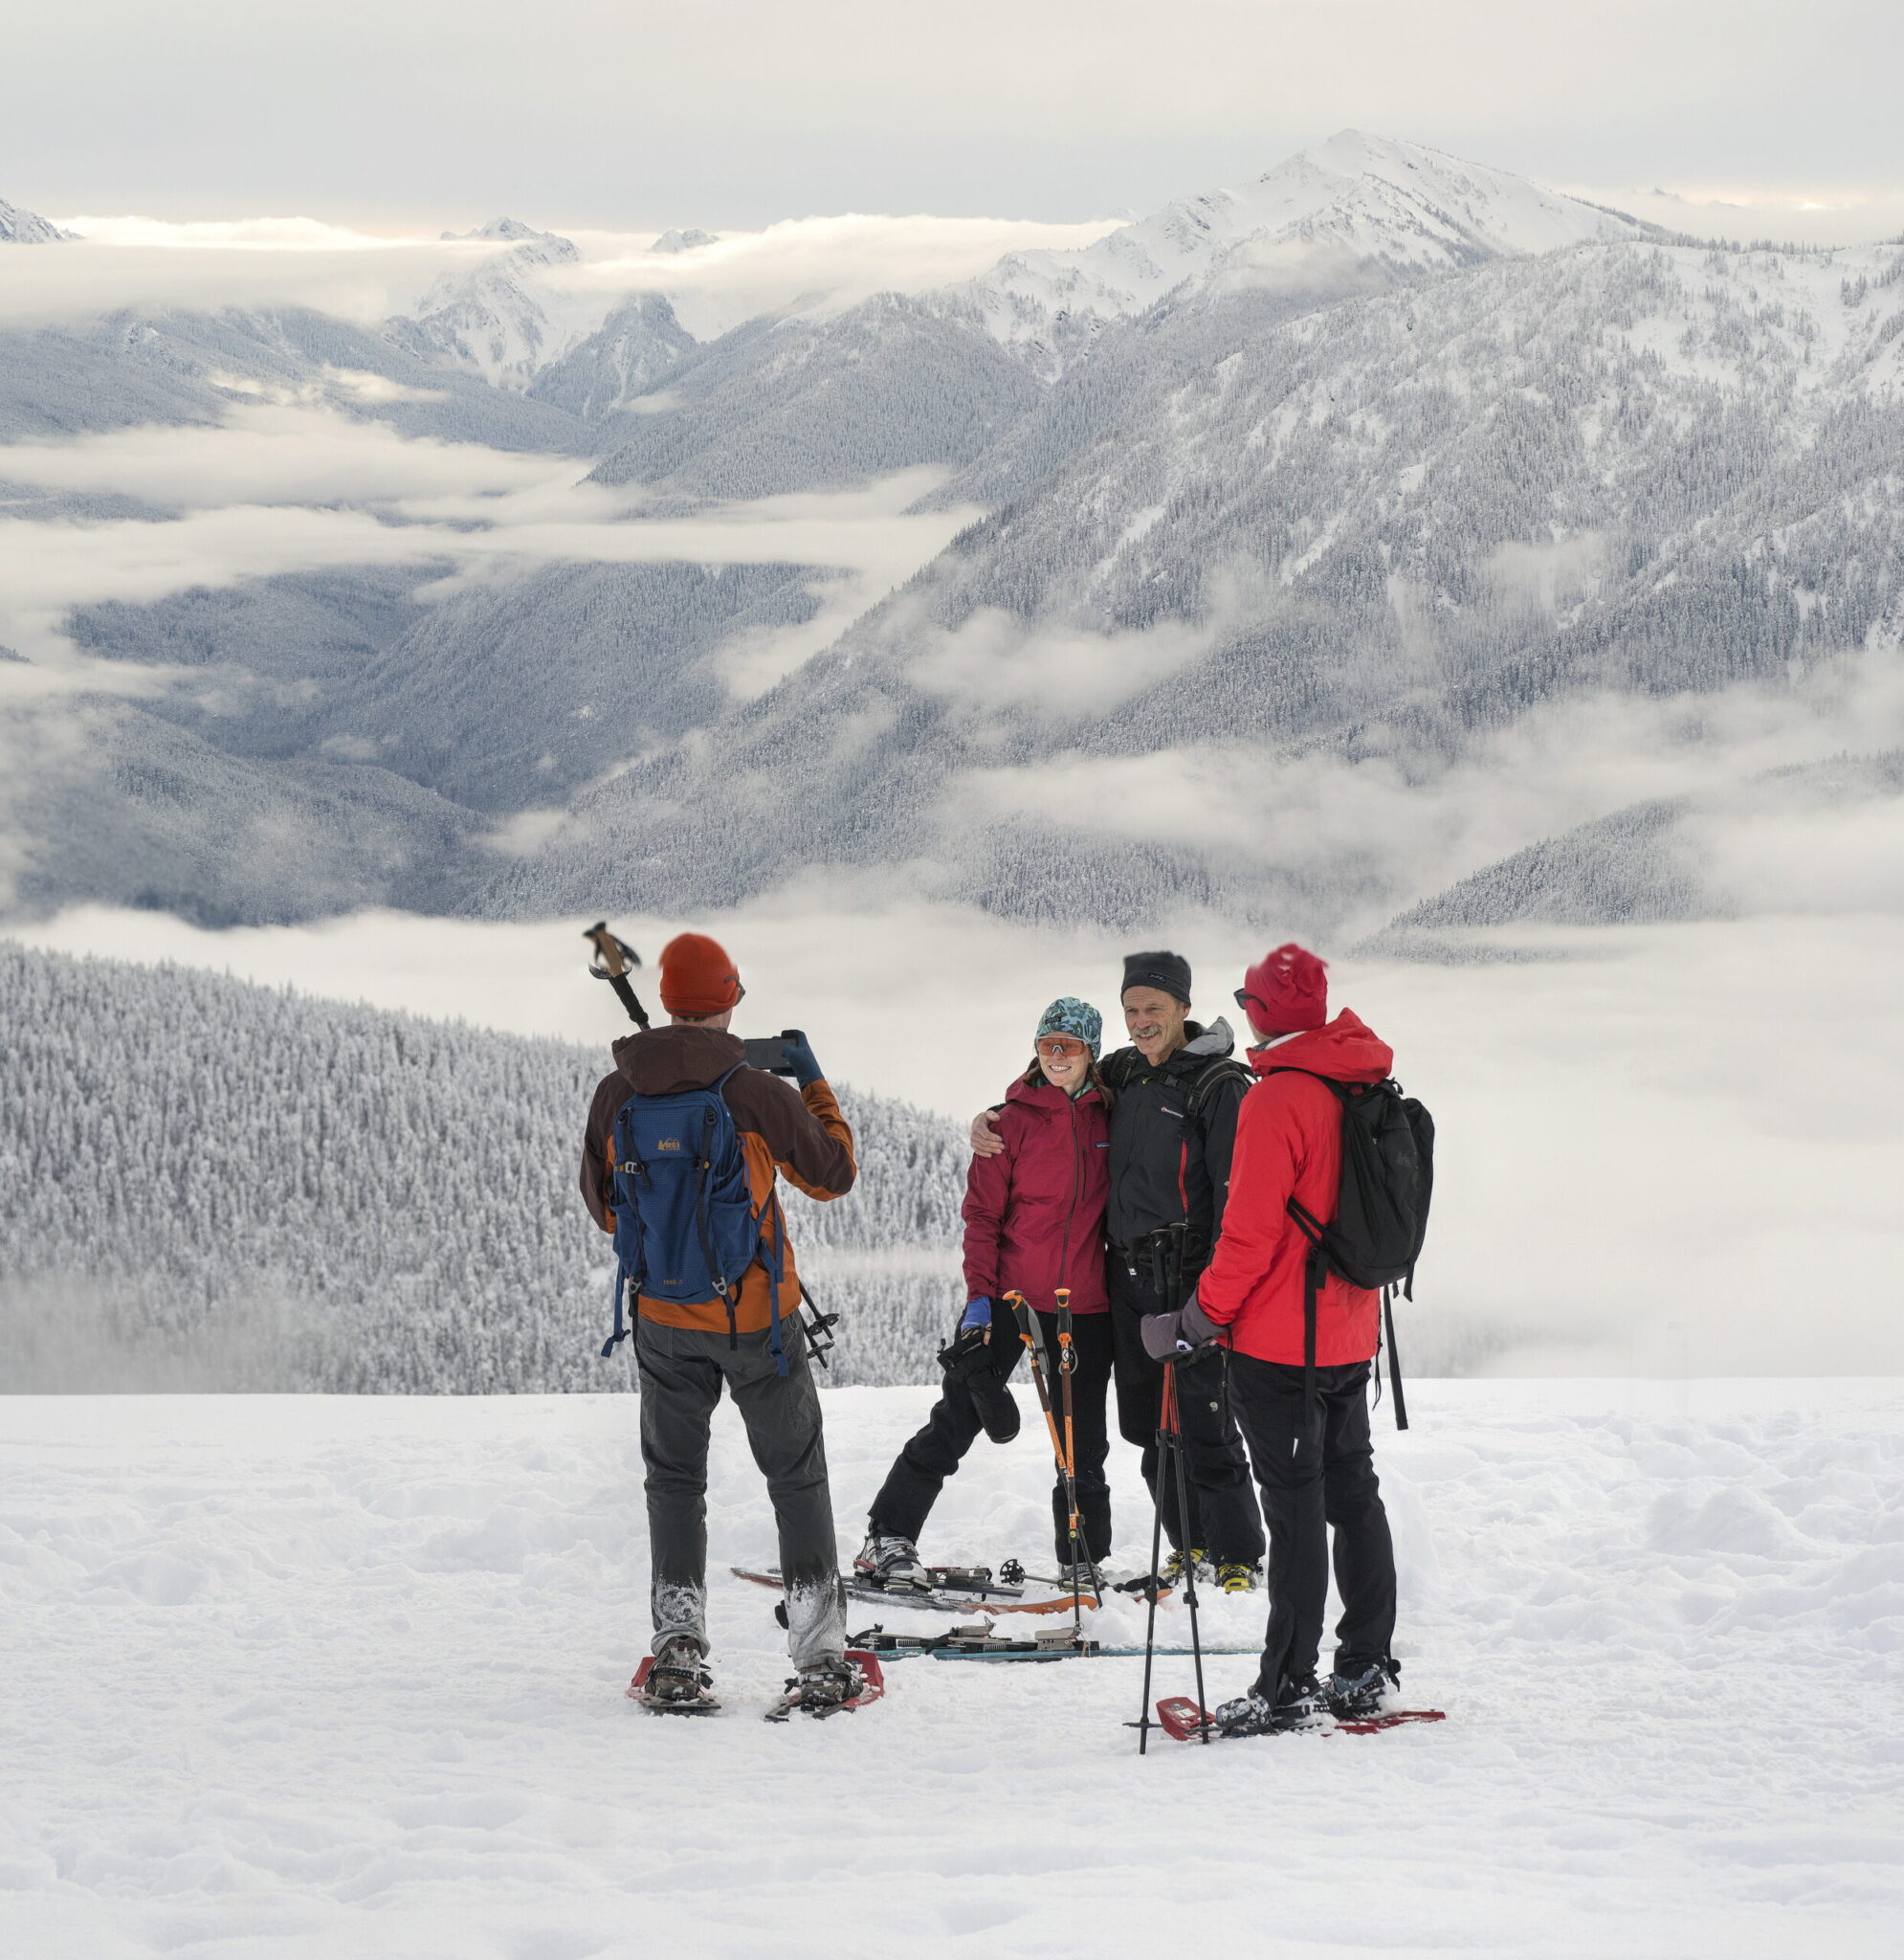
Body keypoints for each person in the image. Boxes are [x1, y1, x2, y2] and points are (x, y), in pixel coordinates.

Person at [580, 931, 860, 1714]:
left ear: (666, 1001)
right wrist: (812, 1082)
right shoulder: (753, 1092)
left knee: (674, 1481)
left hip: (664, 1320)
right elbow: (833, 1175)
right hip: (757, 1323)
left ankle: (677, 1652)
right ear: (732, 1000)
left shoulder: (617, 1093)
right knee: (795, 1478)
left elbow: (606, 1208)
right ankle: (821, 1658)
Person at [1143, 943, 1402, 1734]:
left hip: (1281, 1347)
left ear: (1259, 1012)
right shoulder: (1359, 1079)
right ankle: (1363, 1666)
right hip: (1352, 1333)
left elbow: (1249, 1240)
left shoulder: (1277, 1099)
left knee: (1294, 1509)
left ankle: (1286, 1682)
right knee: (1352, 1493)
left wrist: (1191, 1322)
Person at [973, 951, 1266, 1593]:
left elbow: (1233, 1200)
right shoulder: (1126, 1072)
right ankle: (1189, 1545)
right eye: (1131, 1009)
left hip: (1191, 1277)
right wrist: (994, 1117)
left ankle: (1239, 1552)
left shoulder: (1218, 1086)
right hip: (1127, 1280)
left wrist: (1216, 1296)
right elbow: (1059, 1076)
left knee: (1204, 1421)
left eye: (1153, 1009)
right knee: (1147, 1426)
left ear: (1184, 1008)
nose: (1141, 1021)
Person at [860, 998, 1114, 1590]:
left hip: (1085, 1303)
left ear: (1091, 1052)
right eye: (1047, 1043)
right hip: (1010, 1297)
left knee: (1083, 1440)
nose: (1056, 1055)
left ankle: (1083, 1558)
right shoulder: (1008, 1124)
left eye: (1070, 1045)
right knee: (959, 1415)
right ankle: (887, 1537)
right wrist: (979, 1297)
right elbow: (981, 1217)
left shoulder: (1113, 1115)